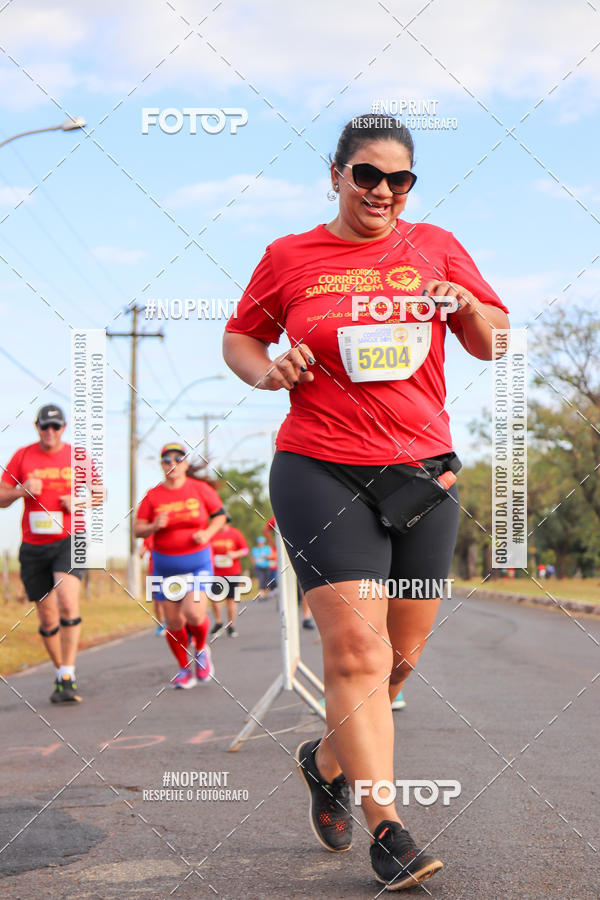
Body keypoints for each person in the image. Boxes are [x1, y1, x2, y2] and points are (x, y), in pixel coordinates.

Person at [223, 115, 509, 890]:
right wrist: (266, 370)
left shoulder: (437, 246)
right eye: (367, 175)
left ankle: (324, 762)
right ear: (337, 175)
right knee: (356, 653)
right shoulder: (288, 256)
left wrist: (466, 311)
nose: (383, 191)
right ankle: (390, 828)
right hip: (319, 467)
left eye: (399, 179)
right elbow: (240, 339)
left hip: (423, 475)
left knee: (399, 662)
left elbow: (497, 340)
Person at [0, 404, 104, 703]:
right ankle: (62, 675)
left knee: (68, 601)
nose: (50, 432)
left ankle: (69, 669)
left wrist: (79, 502)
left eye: (55, 426)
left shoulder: (78, 457)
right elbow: (1, 496)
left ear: (64, 428)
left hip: (70, 539)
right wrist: (21, 490)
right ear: (37, 427)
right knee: (47, 617)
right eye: (45, 426)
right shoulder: (22, 456)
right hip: (33, 545)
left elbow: (99, 494)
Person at [134, 443, 226, 688]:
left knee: (194, 613)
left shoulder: (200, 489)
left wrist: (207, 534)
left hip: (197, 563)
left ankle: (201, 649)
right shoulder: (153, 496)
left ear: (185, 464)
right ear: (162, 465)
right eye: (166, 460)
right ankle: (183, 667)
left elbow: (219, 516)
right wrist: (154, 526)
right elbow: (137, 530)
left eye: (178, 458)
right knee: (173, 622)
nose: (172, 464)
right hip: (165, 567)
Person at [265, 514, 315, 628]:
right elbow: (266, 529)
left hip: (302, 552)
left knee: (303, 584)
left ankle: (306, 617)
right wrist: (274, 545)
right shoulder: (280, 515)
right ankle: (289, 614)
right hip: (286, 554)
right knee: (287, 583)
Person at [209, 516, 249, 638]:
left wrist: (235, 554)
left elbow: (245, 550)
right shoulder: (211, 533)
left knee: (230, 600)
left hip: (232, 572)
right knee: (214, 598)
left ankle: (231, 626)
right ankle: (218, 622)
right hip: (215, 572)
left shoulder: (235, 533)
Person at [139, 533, 165, 635]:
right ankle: (160, 624)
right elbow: (141, 553)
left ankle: (173, 621)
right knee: (157, 600)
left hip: (170, 571)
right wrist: (141, 553)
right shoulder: (148, 537)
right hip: (153, 571)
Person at [251, 535, 272, 600]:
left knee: (267, 581)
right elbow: (252, 558)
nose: (260, 544)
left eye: (261, 542)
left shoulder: (267, 548)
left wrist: (266, 556)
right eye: (259, 543)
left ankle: (266, 594)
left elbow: (271, 556)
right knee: (261, 580)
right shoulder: (255, 549)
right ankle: (261, 595)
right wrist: (254, 565)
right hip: (258, 567)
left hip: (266, 566)